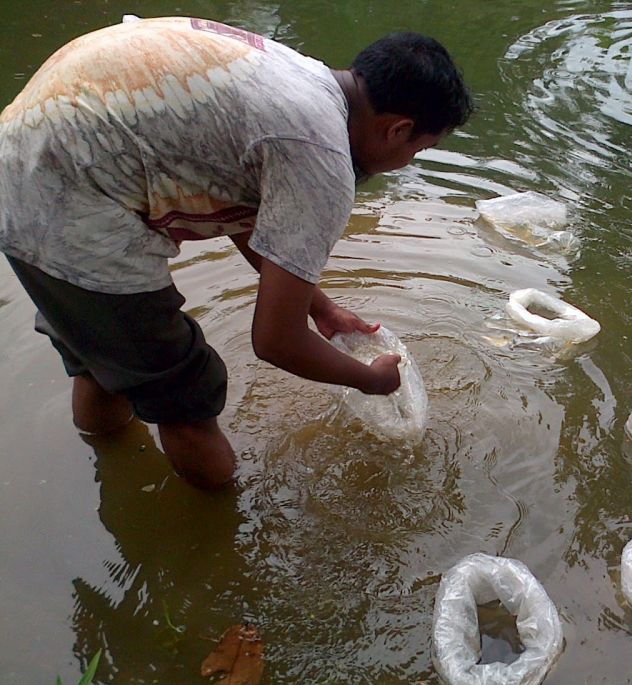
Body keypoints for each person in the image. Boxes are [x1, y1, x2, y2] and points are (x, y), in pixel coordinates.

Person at [0, 17, 473, 490]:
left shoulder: (304, 78)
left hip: (32, 151)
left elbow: (244, 212)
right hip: (65, 201)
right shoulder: (320, 156)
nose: (409, 162)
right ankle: (215, 525)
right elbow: (274, 342)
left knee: (102, 354)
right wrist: (370, 379)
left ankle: (111, 466)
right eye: (421, 148)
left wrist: (323, 310)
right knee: (186, 395)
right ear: (398, 130)